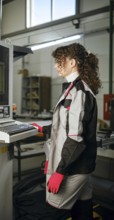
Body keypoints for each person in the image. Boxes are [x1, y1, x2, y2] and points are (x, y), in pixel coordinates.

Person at [32, 42, 101, 220]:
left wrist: (60, 171)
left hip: (74, 169)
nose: (56, 65)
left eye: (60, 61)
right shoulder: (72, 89)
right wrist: (44, 129)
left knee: (52, 212)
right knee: (82, 211)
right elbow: (64, 126)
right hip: (79, 166)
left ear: (73, 62)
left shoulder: (79, 92)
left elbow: (75, 139)